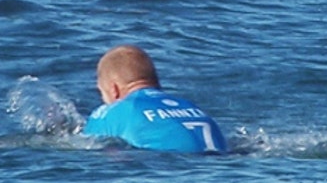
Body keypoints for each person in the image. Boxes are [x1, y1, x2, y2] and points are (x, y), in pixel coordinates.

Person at [82, 45, 227, 153]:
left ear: (114, 90)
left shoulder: (116, 111)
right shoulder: (190, 107)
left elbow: (85, 145)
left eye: (101, 91)